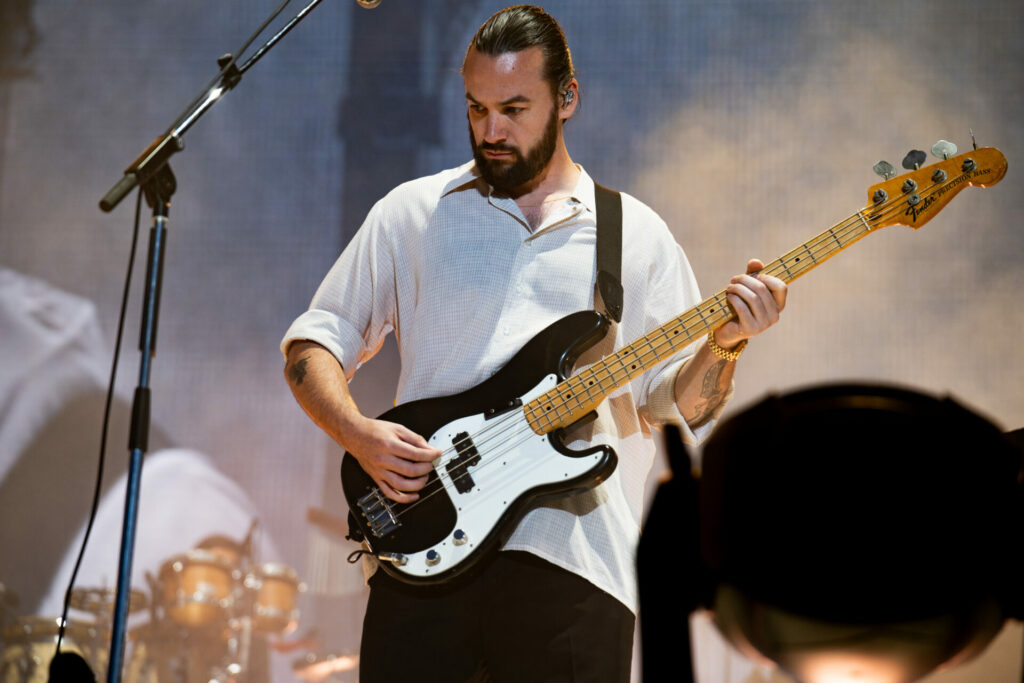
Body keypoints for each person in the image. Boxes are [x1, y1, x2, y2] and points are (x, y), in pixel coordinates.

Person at [281, 6, 786, 681]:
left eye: (514, 108)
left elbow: (676, 407)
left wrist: (724, 345)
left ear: (567, 98)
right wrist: (359, 433)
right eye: (477, 107)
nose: (492, 130)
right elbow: (315, 343)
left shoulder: (634, 234)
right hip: (425, 559)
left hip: (575, 566)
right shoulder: (412, 214)